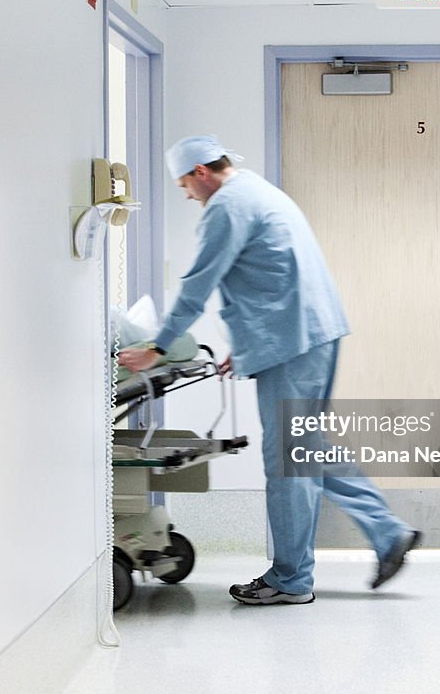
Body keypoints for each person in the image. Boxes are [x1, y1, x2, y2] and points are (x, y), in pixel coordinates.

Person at [118, 134, 420, 606]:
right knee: (305, 449)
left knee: (288, 464)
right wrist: (249, 344)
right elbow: (273, 271)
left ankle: (290, 580)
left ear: (201, 172)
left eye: (185, 185)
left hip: (293, 343)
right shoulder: (256, 189)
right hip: (310, 333)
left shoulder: (225, 207)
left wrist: (157, 346)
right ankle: (388, 532)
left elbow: (199, 283)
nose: (187, 196)